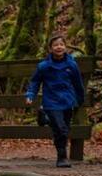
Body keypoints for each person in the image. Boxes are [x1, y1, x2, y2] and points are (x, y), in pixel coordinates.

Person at [25, 33, 86, 168]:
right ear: (50, 48)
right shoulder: (44, 66)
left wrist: (80, 99)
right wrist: (30, 94)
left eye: (61, 44)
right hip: (51, 100)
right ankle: (62, 157)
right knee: (60, 128)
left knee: (64, 128)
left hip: (67, 100)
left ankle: (45, 119)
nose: (59, 47)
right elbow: (35, 82)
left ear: (65, 47)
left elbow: (78, 84)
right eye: (56, 45)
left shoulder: (72, 65)